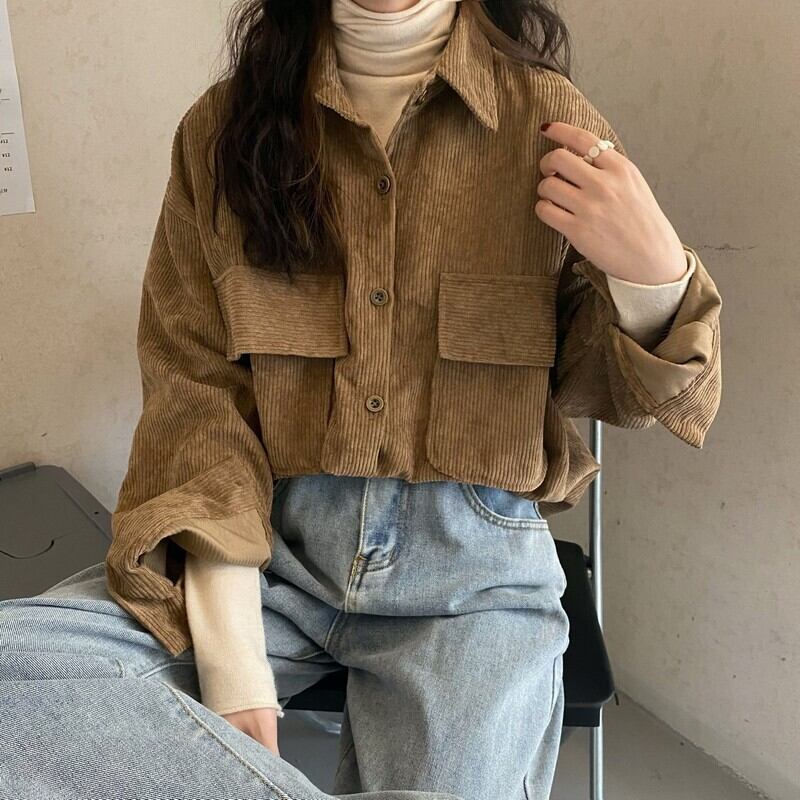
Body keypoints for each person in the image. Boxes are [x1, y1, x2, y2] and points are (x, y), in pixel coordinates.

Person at [0, 1, 722, 798]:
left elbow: (623, 392)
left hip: (472, 586)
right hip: (269, 554)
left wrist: (657, 280)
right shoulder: (222, 131)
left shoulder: (547, 121)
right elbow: (195, 398)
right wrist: (233, 660)